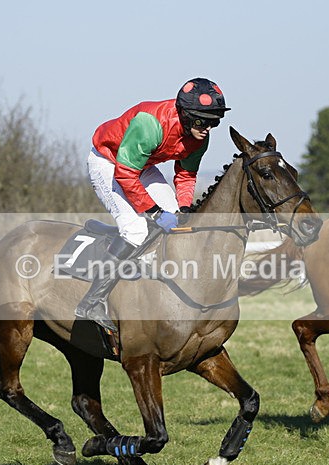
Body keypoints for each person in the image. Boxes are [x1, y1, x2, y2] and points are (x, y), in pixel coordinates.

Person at [75, 77, 230, 334]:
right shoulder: (150, 125)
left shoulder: (199, 139)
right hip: (109, 163)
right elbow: (125, 174)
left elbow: (186, 175)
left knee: (175, 222)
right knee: (136, 229)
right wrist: (154, 212)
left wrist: (183, 208)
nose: (208, 128)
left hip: (142, 165)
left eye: (214, 122)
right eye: (203, 121)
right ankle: (91, 303)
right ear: (186, 115)